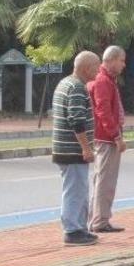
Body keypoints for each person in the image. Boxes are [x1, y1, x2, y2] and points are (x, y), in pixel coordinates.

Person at [52, 51, 101, 246]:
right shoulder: (77, 88)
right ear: (86, 68)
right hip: (72, 149)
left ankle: (79, 228)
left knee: (79, 188)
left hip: (66, 148)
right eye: (96, 67)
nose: (98, 71)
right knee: (75, 190)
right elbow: (77, 121)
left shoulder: (65, 83)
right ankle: (72, 230)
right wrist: (86, 148)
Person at [87, 45, 127, 233]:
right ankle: (100, 221)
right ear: (111, 60)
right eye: (121, 60)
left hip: (103, 137)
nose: (123, 65)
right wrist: (116, 135)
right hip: (105, 138)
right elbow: (103, 110)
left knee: (101, 179)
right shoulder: (103, 81)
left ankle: (96, 219)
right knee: (105, 181)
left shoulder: (106, 80)